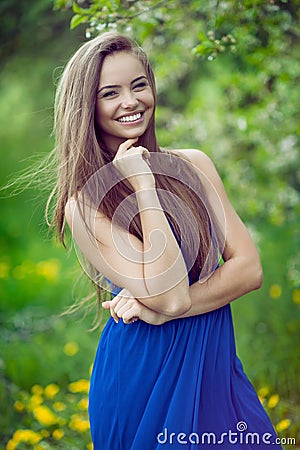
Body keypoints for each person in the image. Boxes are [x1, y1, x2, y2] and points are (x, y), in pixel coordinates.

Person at [51, 31, 282, 449]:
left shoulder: (193, 165)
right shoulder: (85, 206)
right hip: (144, 377)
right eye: (110, 93)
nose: (131, 101)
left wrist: (155, 307)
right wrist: (142, 184)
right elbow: (172, 295)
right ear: (86, 107)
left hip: (213, 368)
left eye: (139, 85)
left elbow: (249, 269)